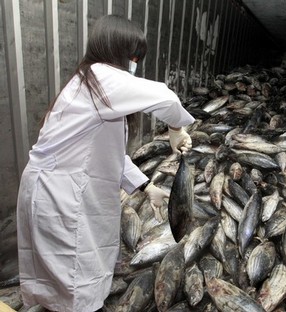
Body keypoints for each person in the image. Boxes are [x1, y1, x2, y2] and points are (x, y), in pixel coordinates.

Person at [16, 15, 195, 312]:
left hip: (59, 191)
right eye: (135, 55)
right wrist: (176, 130)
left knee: (67, 280)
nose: (135, 62)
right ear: (119, 50)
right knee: (75, 281)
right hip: (61, 198)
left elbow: (107, 153)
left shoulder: (89, 83)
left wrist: (146, 186)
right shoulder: (102, 77)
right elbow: (165, 97)